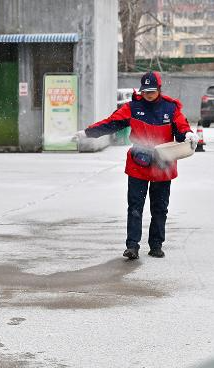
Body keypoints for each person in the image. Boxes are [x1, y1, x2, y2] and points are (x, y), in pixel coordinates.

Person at [75, 72, 197, 259]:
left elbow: (181, 128)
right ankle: (132, 246)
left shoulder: (170, 108)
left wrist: (188, 135)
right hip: (138, 165)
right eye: (145, 91)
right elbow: (111, 123)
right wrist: (87, 133)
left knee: (159, 208)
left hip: (162, 165)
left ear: (159, 89)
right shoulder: (132, 107)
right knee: (135, 206)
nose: (148, 94)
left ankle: (156, 245)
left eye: (152, 91)